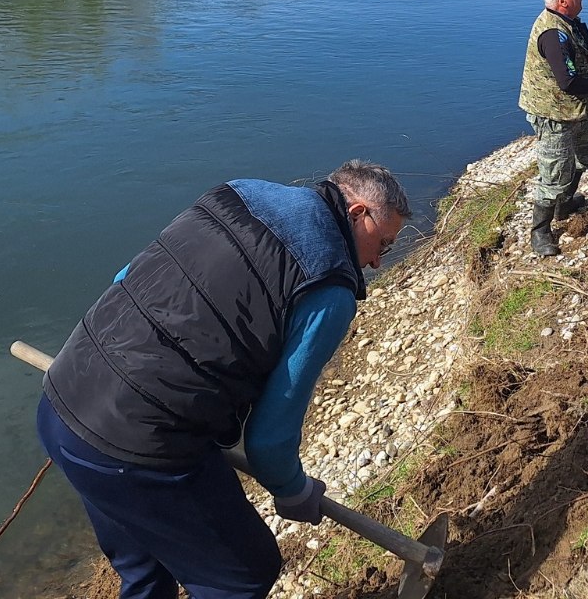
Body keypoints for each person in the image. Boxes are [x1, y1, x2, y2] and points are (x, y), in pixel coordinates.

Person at [36, 161, 410, 599]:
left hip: (61, 404)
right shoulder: (330, 288)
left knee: (145, 571)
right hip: (137, 448)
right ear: (356, 212)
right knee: (243, 574)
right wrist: (294, 492)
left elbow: (127, 277)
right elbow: (269, 442)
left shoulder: (238, 193)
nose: (379, 261)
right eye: (381, 243)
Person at [519, 0, 588, 257]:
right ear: (562, 1)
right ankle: (540, 232)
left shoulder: (569, 24)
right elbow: (567, 82)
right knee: (555, 174)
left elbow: (575, 66)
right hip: (553, 114)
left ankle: (564, 203)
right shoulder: (551, 34)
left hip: (574, 109)